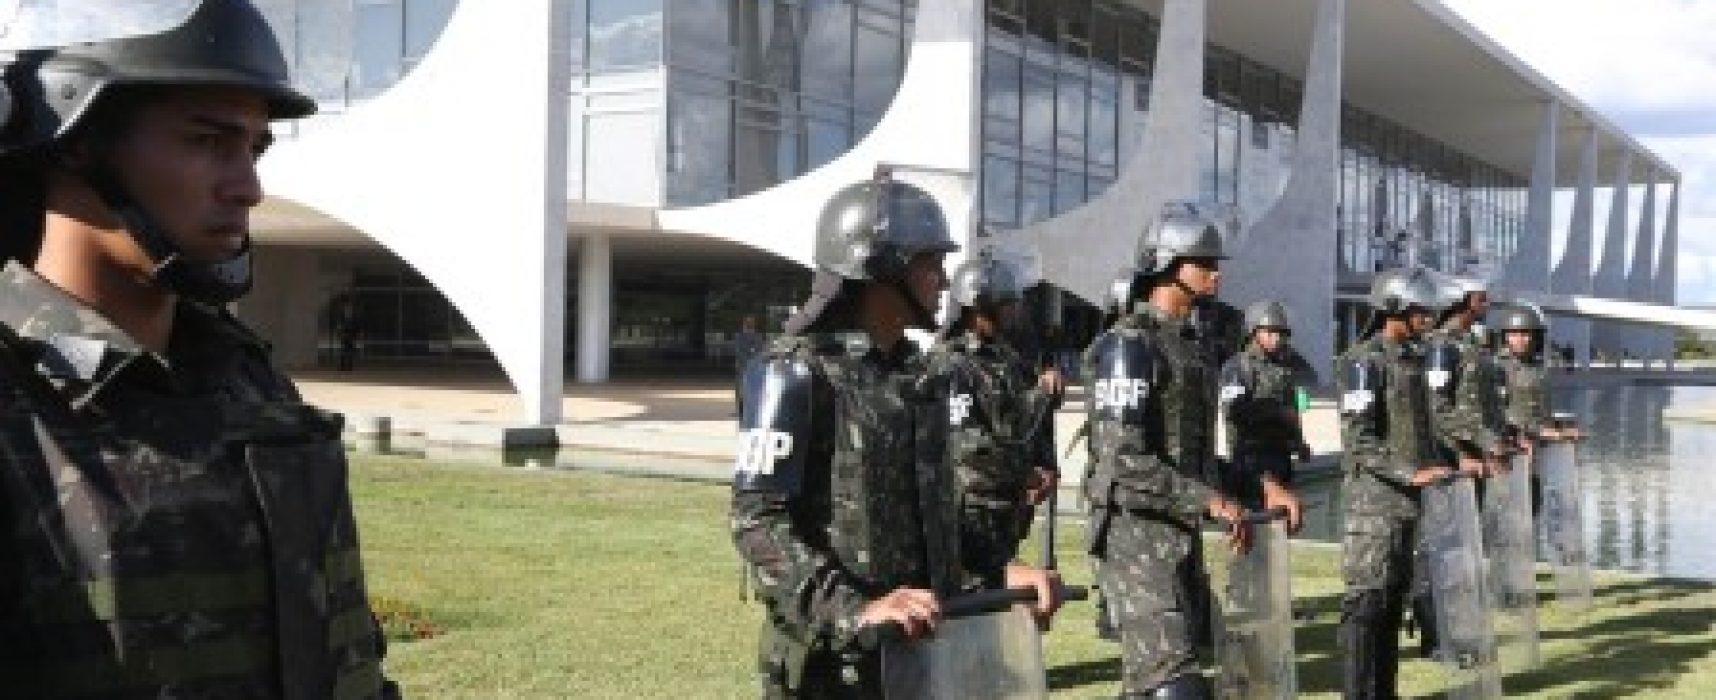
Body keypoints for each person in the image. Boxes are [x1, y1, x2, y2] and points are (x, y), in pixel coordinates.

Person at [0, 1, 397, 697]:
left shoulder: (253, 386)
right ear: (73, 144)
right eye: (208, 140)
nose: (248, 188)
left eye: (255, 148)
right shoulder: (17, 406)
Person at [731, 170, 1064, 698]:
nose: (944, 281)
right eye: (930, 263)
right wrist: (856, 609)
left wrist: (995, 573)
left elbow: (934, 513)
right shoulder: (793, 373)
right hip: (834, 668)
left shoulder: (920, 376)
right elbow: (757, 521)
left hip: (922, 656)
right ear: (880, 266)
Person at [1082, 202, 1259, 698]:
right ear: (1166, 265)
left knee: (1152, 683)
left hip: (1179, 538)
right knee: (1174, 685)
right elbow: (1123, 460)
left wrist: (1258, 486)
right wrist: (1209, 501)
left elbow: (1192, 459)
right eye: (1203, 263)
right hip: (1134, 539)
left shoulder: (1190, 347)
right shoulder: (1129, 345)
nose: (1215, 274)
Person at [1336, 267, 1452, 699]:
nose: (1429, 317)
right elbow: (1359, 439)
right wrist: (1411, 473)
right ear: (1394, 307)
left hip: (1409, 507)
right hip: (1374, 509)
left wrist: (1444, 466)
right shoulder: (1363, 361)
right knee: (1366, 607)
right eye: (1421, 309)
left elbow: (1426, 433)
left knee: (1391, 605)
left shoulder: (1415, 360)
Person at [928, 248, 1059, 588]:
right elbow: (967, 449)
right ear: (978, 307)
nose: (1014, 312)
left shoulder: (1007, 361)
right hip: (968, 520)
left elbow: (1019, 426)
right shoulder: (949, 364)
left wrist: (1044, 465)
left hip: (1006, 517)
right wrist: (1024, 473)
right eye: (1006, 304)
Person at [1412, 274, 1511, 656]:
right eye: (1481, 298)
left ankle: (1452, 628)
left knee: (1459, 548)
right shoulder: (1441, 345)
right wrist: (1463, 453)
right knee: (1436, 547)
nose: (1487, 303)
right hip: (1446, 460)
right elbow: (1437, 410)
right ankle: (1433, 635)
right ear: (1462, 300)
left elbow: (1483, 406)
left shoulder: (1471, 343)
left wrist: (1494, 444)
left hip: (1473, 461)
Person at [1218, 300, 1311, 518]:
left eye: (1280, 333)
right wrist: (1274, 412)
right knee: (1256, 522)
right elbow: (1234, 411)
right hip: (1251, 463)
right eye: (1269, 332)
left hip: (1281, 458)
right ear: (1253, 331)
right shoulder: (1237, 367)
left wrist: (1298, 441)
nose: (1276, 338)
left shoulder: (1283, 369)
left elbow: (1292, 410)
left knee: (1282, 519)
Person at [732, 315, 764, 415]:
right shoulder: (757, 336)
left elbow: (739, 351)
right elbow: (758, 351)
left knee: (743, 388)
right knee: (749, 388)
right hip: (751, 365)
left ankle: (741, 410)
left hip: (745, 365)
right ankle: (746, 410)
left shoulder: (740, 336)